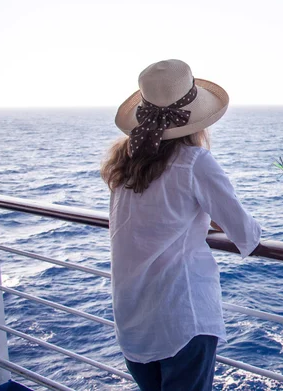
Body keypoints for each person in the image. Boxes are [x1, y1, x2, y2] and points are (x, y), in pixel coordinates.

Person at [101, 59, 262, 391]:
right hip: (181, 322)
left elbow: (156, 217)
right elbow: (246, 235)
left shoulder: (124, 165)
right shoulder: (194, 163)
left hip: (134, 324)